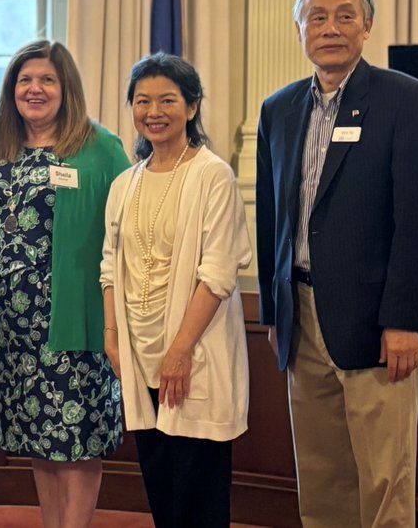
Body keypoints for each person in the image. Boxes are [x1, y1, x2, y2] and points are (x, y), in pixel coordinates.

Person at [256, 0, 418, 527]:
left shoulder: (404, 99)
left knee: (385, 479)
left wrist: (406, 319)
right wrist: (275, 312)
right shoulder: (278, 110)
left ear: (367, 27)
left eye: (344, 16)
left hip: (377, 323)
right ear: (300, 30)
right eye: (317, 17)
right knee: (320, 476)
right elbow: (276, 219)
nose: (330, 28)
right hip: (302, 320)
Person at [0, 40, 129, 528]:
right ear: (12, 90)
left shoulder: (98, 147)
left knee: (76, 439)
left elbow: (131, 226)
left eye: (47, 80)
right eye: (25, 80)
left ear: (66, 89)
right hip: (10, 329)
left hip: (71, 318)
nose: (35, 89)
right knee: (35, 440)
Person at [100, 53, 252, 527]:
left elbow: (219, 273)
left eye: (168, 99)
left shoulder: (212, 175)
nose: (154, 111)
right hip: (140, 356)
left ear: (192, 107)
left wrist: (180, 350)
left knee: (199, 497)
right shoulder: (126, 183)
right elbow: (109, 266)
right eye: (142, 101)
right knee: (162, 493)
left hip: (195, 358)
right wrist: (111, 335)